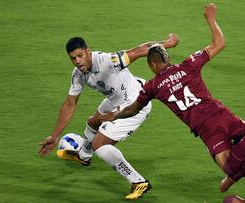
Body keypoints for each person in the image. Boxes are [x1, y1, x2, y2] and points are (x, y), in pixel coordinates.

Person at [99, 3, 245, 180]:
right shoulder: (188, 65)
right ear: (168, 59)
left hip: (208, 129)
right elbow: (219, 43)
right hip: (222, 114)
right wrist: (210, 18)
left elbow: (132, 109)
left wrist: (114, 115)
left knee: (231, 169)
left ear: (151, 65)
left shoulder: (151, 86)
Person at [38, 33, 179, 200]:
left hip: (136, 103)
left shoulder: (108, 61)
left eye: (80, 56)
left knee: (100, 144)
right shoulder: (78, 74)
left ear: (88, 51)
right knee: (92, 122)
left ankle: (138, 182)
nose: (77, 61)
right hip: (116, 99)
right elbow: (70, 104)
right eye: (73, 58)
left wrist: (168, 43)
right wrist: (55, 135)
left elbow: (139, 50)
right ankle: (83, 157)